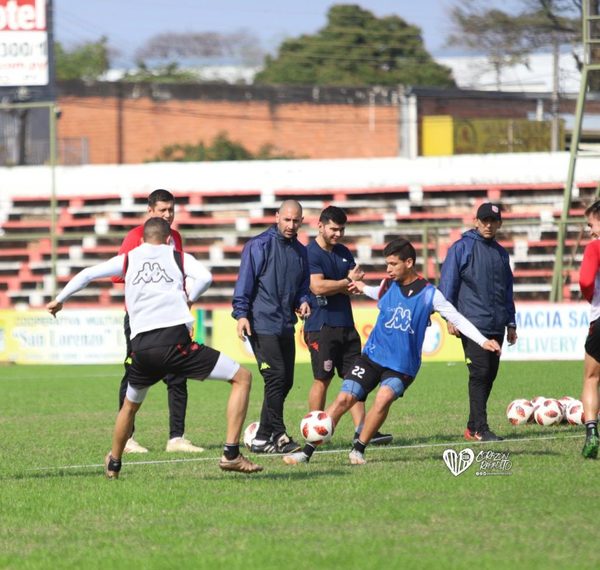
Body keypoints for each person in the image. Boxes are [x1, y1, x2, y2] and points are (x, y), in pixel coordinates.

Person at [47, 217, 262, 477]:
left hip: (142, 349)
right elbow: (205, 277)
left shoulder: (128, 259)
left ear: (142, 239)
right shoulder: (178, 256)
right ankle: (230, 454)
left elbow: (88, 274)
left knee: (130, 406)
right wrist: (188, 299)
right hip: (176, 345)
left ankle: (113, 463)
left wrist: (60, 300)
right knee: (242, 377)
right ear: (168, 239)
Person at [283, 237, 501, 466]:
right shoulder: (388, 285)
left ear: (409, 262)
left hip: (402, 365)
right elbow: (378, 293)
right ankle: (306, 453)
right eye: (387, 264)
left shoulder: (430, 294)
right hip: (373, 356)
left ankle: (358, 449)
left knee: (384, 397)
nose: (388, 269)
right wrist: (361, 287)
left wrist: (483, 341)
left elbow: (456, 317)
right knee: (344, 398)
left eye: (393, 264)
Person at [115, 189, 203, 454]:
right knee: (133, 375)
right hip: (142, 320)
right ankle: (127, 438)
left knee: (178, 375)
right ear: (150, 211)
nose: (167, 215)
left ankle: (176, 438)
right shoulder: (134, 237)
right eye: (162, 210)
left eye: (171, 210)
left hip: (172, 318)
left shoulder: (175, 237)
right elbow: (118, 274)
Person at [303, 205, 392, 445]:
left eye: (342, 230)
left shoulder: (343, 251)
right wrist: (346, 281)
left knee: (356, 378)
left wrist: (352, 283)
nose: (338, 234)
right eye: (333, 229)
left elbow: (349, 285)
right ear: (320, 226)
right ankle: (315, 431)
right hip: (321, 325)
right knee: (323, 378)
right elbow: (317, 287)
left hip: (346, 323)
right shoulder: (309, 253)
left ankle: (362, 431)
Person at [232, 199, 311, 454]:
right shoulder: (258, 246)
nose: (290, 225)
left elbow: (302, 287)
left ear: (301, 221)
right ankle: (279, 435)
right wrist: (241, 314)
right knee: (275, 376)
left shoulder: (301, 251)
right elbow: (244, 283)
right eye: (286, 219)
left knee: (286, 380)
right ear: (277, 217)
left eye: (295, 220)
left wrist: (304, 301)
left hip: (285, 324)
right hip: (261, 323)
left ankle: (262, 435)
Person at [438, 202, 517, 442]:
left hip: (497, 324)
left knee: (489, 374)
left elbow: (507, 290)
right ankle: (480, 429)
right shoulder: (461, 248)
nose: (488, 225)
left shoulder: (501, 252)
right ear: (476, 221)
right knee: (480, 373)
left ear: (499, 224)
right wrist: (449, 318)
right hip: (471, 324)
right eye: (484, 220)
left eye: (493, 221)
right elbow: (447, 285)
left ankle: (472, 426)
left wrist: (511, 322)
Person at [578, 200, 600, 459]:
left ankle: (592, 432)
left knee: (592, 378)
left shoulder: (595, 246)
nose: (590, 230)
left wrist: (589, 296)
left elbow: (585, 279)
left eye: (591, 224)